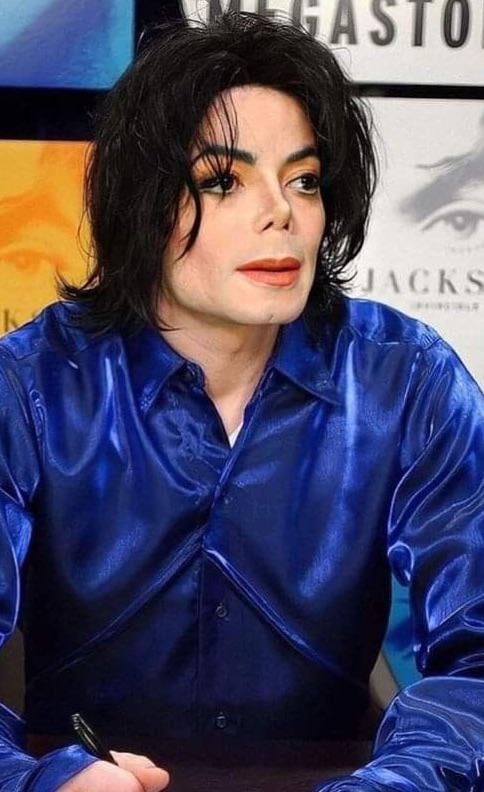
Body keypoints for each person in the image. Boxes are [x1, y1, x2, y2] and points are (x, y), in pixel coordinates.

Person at [0, 11, 482, 792]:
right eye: (223, 181)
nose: (281, 214)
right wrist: (38, 780)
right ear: (143, 203)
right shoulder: (30, 385)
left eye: (304, 180)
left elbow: (479, 660)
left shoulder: (408, 380)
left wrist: (392, 783)